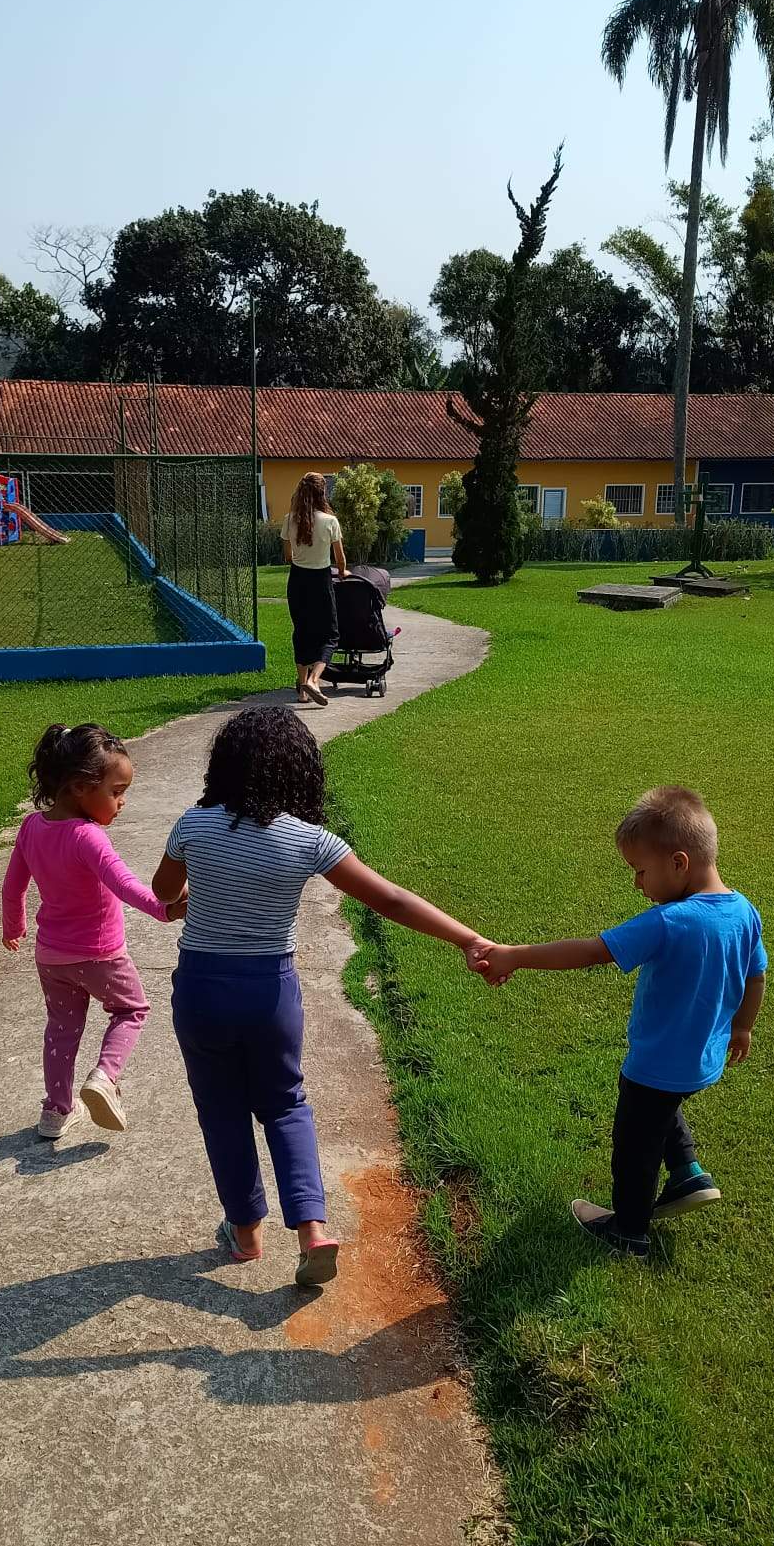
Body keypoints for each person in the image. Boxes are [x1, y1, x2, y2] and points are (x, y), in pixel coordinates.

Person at [152, 705, 490, 1289]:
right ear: (301, 772)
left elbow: (165, 894)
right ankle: (312, 1230)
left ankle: (246, 1231)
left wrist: (196, 900)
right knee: (285, 1102)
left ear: (223, 767)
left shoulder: (193, 824)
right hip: (269, 992)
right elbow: (391, 900)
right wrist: (467, 937)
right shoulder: (309, 841)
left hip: (204, 988)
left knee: (221, 1108)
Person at [477, 786, 766, 1258]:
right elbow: (756, 976)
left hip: (655, 1062)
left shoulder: (670, 921)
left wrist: (515, 956)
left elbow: (591, 951)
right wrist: (743, 1028)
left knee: (635, 1145)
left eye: (640, 872)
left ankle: (629, 1230)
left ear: (678, 863)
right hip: (704, 1059)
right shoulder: (744, 911)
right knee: (662, 1108)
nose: (637, 885)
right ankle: (689, 1173)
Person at [2, 723, 183, 1141]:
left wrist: (14, 926)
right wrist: (165, 909)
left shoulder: (32, 827)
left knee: (61, 1030)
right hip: (101, 955)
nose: (122, 802)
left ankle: (55, 1112)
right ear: (82, 787)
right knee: (131, 1010)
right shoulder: (89, 838)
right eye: (116, 792)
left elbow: (13, 886)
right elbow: (124, 884)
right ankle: (105, 1077)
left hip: (51, 956)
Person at [281, 471, 347, 708]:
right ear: (322, 492)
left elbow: (288, 556)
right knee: (330, 634)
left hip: (297, 580)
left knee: (301, 631)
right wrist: (342, 572)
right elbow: (340, 560)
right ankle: (315, 680)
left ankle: (302, 690)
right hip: (321, 580)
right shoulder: (330, 521)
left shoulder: (289, 520)